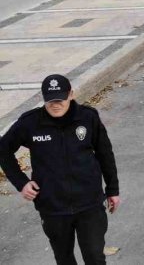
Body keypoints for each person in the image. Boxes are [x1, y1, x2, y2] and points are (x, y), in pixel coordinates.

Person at [0, 74, 120, 265]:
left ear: (71, 94)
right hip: (53, 208)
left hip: (89, 204)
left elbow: (105, 154)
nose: (55, 105)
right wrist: (21, 183)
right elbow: (3, 149)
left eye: (60, 99)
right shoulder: (31, 123)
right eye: (50, 100)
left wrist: (113, 190)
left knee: (95, 257)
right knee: (64, 259)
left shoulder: (87, 117)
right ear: (43, 98)